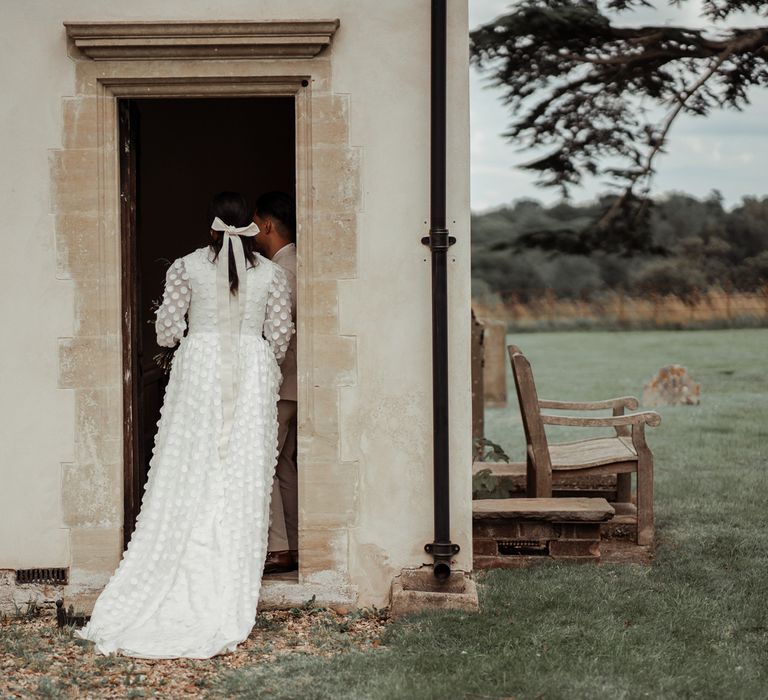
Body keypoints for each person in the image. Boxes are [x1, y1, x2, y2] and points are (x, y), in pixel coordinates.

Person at [73, 191, 294, 659]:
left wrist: (200, 339)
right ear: (251, 229)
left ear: (211, 227)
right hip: (251, 373)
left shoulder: (186, 266)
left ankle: (172, 561)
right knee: (243, 468)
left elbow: (167, 331)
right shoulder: (271, 273)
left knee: (190, 464)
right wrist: (255, 359)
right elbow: (279, 336)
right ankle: (229, 568)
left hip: (200, 371)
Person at [252, 191, 298, 574]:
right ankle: (295, 542)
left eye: (254, 223)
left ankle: (279, 548)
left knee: (263, 462)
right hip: (296, 384)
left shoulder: (281, 270)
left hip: (282, 383)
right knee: (283, 465)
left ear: (266, 224)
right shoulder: (299, 262)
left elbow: (279, 333)